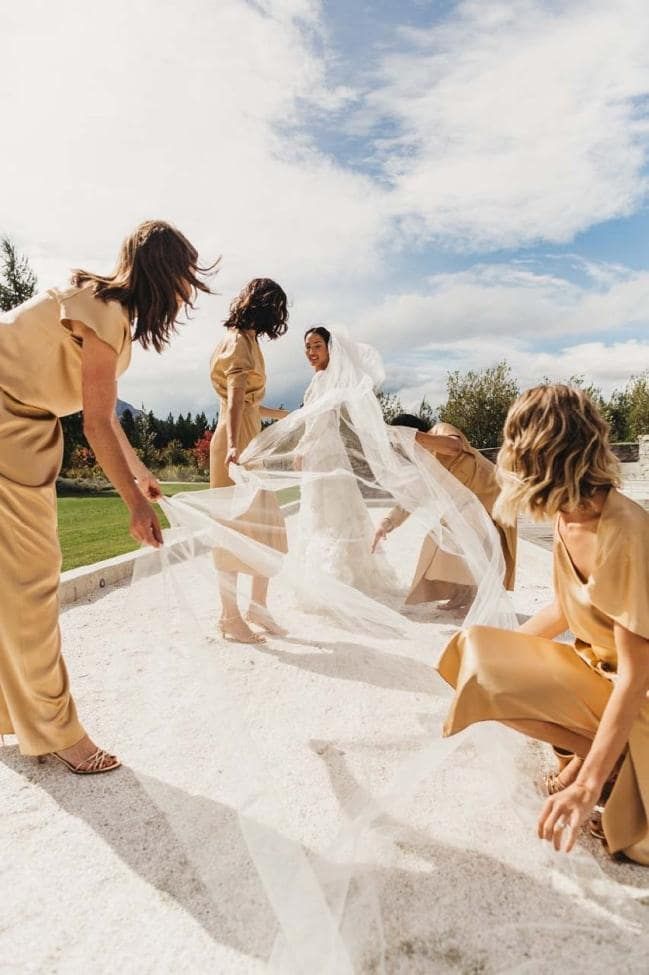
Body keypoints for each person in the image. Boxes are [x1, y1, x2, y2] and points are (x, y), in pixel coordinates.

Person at [0, 220, 214, 774]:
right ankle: (57, 732)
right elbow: (95, 423)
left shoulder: (100, 306)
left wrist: (140, 474)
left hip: (18, 427)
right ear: (166, 274)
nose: (189, 292)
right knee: (32, 584)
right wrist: (135, 507)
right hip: (5, 425)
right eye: (187, 278)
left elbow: (108, 417)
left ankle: (13, 714)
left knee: (13, 584)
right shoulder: (105, 313)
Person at [437, 385, 649, 863]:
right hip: (595, 672)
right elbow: (565, 606)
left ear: (539, 451)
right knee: (474, 659)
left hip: (636, 692)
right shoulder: (567, 516)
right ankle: (603, 755)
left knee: (636, 843)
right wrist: (499, 654)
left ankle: (603, 766)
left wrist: (585, 784)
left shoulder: (627, 531)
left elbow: (638, 675)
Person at [209, 278, 289, 644]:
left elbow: (250, 400)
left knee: (267, 528)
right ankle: (230, 616)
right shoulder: (239, 340)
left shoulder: (249, 338)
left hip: (246, 436)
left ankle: (258, 608)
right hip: (237, 440)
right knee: (234, 531)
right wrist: (233, 449)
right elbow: (236, 394)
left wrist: (281, 414)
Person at [372, 415, 516, 607]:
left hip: (492, 495)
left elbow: (453, 446)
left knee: (456, 538)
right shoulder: (424, 462)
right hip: (468, 504)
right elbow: (413, 497)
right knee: (438, 540)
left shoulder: (440, 430)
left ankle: (473, 596)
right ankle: (463, 592)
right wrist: (387, 523)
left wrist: (411, 437)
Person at [295, 326, 398, 595]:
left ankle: (338, 582)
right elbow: (305, 416)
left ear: (330, 348)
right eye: (307, 347)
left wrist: (302, 448)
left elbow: (320, 419)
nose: (311, 352)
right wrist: (261, 409)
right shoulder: (319, 379)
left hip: (324, 454)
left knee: (333, 515)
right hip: (320, 454)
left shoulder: (329, 379)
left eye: (317, 345)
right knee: (326, 515)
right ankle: (337, 577)